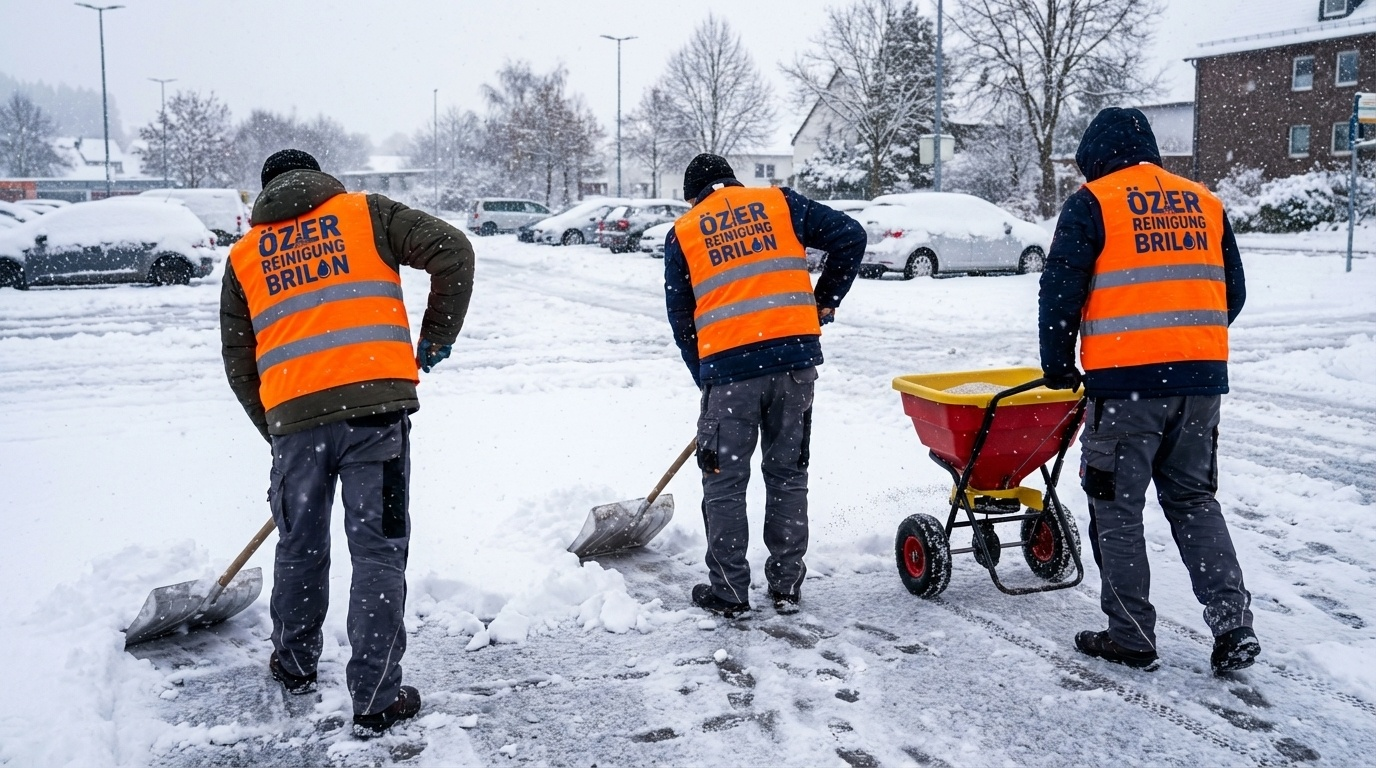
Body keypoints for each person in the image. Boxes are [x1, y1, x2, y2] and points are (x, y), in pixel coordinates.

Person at [220, 149, 475, 735]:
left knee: (299, 546)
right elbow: (453, 252)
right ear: (318, 178)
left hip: (295, 425)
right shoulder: (367, 214)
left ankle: (293, 664)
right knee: (378, 551)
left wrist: (278, 432)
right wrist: (434, 338)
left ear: (266, 191)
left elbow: (240, 361)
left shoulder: (245, 255)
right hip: (375, 420)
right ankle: (376, 695)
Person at [1039, 108, 1259, 674]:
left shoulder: (1095, 202)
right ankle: (1232, 625)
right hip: (1201, 383)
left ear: (1094, 159)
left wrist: (1061, 369)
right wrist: (1187, 343)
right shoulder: (1203, 202)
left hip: (1126, 389)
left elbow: (1059, 291)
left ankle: (1132, 635)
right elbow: (1230, 290)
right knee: (1193, 501)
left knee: (1116, 509)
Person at [663, 153, 865, 618]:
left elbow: (681, 318)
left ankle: (731, 594)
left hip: (730, 375)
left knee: (725, 483)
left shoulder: (686, 232)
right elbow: (851, 236)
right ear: (734, 181)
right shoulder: (779, 203)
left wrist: (705, 379)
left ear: (693, 195)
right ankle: (787, 587)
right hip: (795, 368)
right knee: (788, 474)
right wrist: (824, 301)